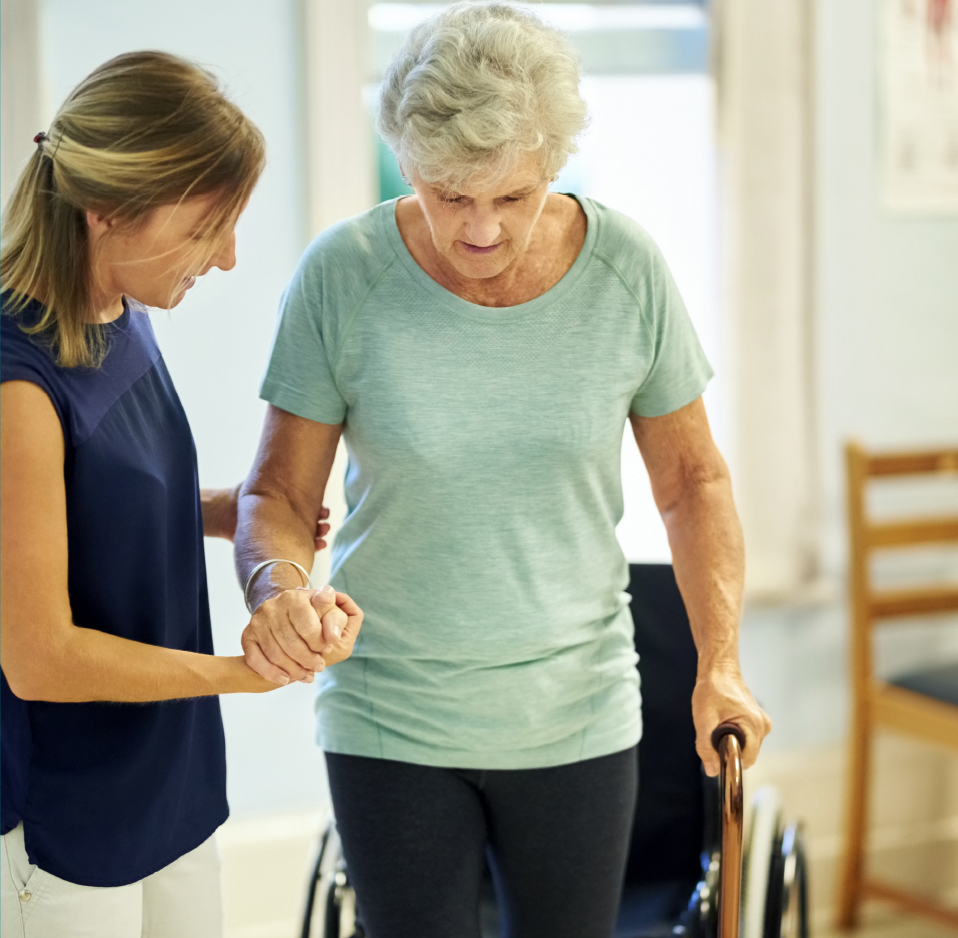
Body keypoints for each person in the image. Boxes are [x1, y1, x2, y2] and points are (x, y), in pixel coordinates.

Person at [235, 3, 770, 936]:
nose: (480, 229)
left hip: (576, 712)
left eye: (512, 197)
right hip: (388, 712)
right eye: (450, 194)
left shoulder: (628, 272)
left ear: (555, 166)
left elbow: (694, 485)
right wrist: (276, 587)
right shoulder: (342, 277)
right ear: (405, 161)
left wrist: (720, 662)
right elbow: (279, 494)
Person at [0, 51, 361, 938]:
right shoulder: (16, 384)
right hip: (68, 812)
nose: (229, 257)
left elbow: (86, 500)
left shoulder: (121, 312)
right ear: (110, 210)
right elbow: (38, 656)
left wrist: (217, 508)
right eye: (208, 226)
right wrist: (244, 675)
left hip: (170, 776)